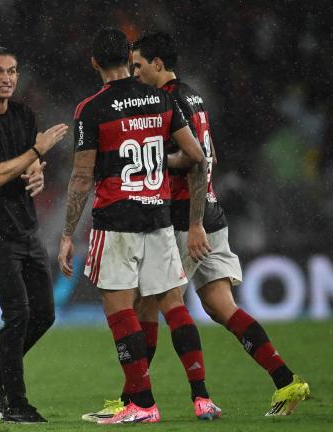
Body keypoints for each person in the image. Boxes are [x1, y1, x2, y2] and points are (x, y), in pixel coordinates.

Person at [128, 31, 308, 416]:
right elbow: (211, 155)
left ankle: (160, 398)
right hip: (211, 211)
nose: (135, 73)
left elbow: (194, 160)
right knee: (221, 307)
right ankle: (287, 381)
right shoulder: (194, 94)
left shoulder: (168, 99)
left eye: (139, 65)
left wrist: (192, 222)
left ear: (157, 64)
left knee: (155, 301)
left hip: (185, 218)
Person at [58, 27, 221, 424]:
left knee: (119, 307)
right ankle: (201, 397)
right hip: (159, 215)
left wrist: (66, 234)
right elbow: (196, 154)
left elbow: (81, 177)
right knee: (172, 302)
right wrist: (160, 166)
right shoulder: (160, 99)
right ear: (128, 60)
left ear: (95, 62)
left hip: (117, 220)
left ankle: (142, 403)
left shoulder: (91, 109)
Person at [0, 47, 68, 423]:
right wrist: (36, 150)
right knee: (17, 313)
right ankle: (15, 402)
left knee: (45, 314)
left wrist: (36, 168)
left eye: (13, 71)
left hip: (26, 228)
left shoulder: (23, 114)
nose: (7, 78)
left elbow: (28, 163)